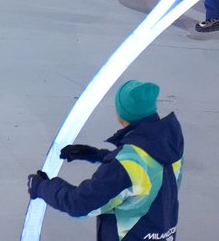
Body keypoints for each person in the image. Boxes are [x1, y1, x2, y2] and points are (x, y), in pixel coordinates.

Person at [28, 80, 183, 241]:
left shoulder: (124, 167)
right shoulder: (168, 144)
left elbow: (79, 204)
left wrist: (42, 187)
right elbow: (144, 172)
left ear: (122, 113)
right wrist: (96, 155)